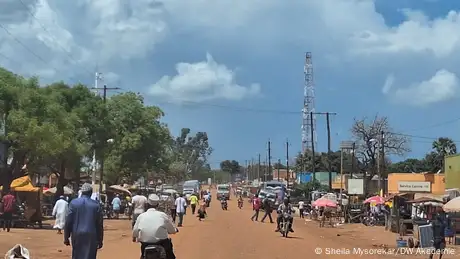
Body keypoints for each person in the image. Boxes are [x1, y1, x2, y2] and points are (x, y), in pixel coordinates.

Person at [64, 183, 103, 259]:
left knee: (77, 255)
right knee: (90, 256)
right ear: (91, 193)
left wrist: (66, 237)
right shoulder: (96, 205)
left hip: (77, 234)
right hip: (91, 235)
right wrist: (100, 239)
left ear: (81, 192)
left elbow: (68, 221)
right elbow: (99, 224)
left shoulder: (73, 203)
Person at [133, 194, 177, 259]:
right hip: (162, 243)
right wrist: (174, 230)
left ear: (147, 204)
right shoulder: (162, 215)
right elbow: (171, 230)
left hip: (145, 244)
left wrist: (135, 237)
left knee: (142, 255)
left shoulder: (141, 216)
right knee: (170, 255)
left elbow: (135, 231)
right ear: (157, 205)